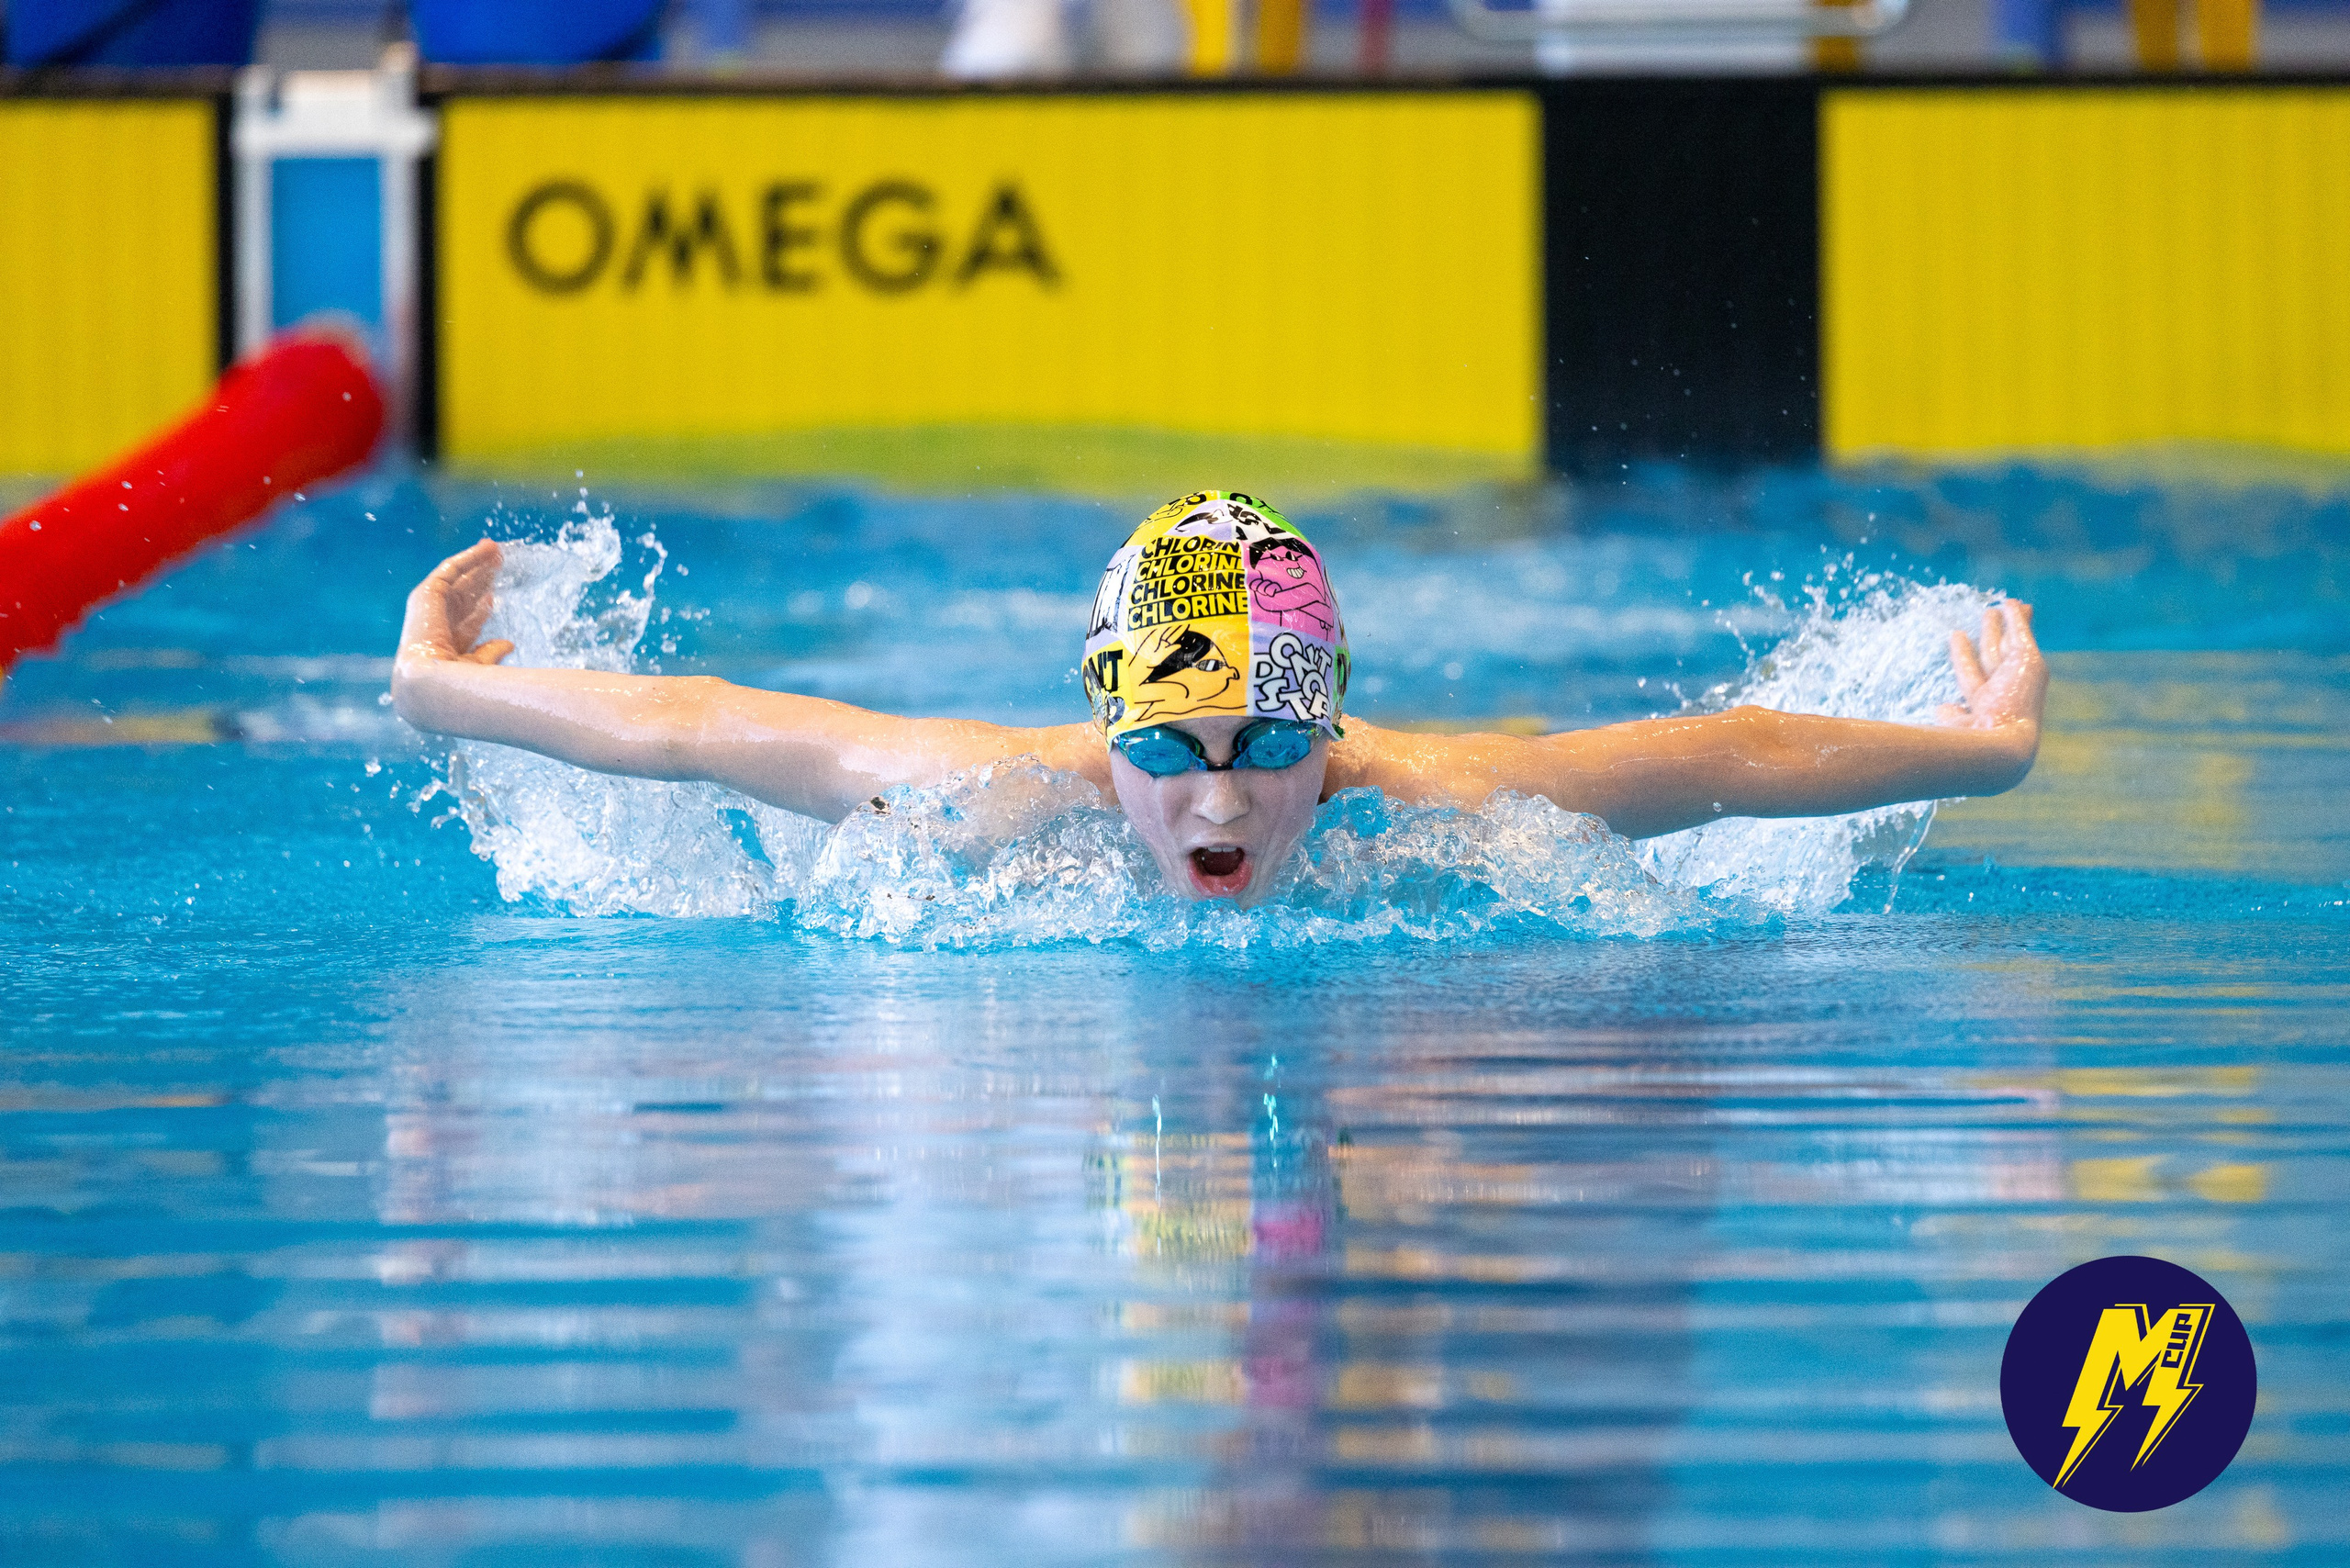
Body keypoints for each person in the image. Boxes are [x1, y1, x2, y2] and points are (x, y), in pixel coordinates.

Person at [393, 489, 2047, 907]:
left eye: (1268, 744)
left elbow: (1726, 759)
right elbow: (690, 727)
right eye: (1168, 749)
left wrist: (1985, 757)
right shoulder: (989, 796)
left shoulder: (1435, 800)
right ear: (1104, 731)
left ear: (1329, 732)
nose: (1221, 797)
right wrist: (444, 693)